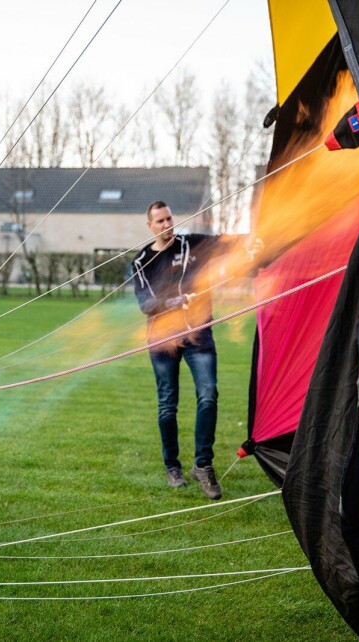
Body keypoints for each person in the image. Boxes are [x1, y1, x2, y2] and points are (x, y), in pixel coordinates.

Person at [131, 201, 253, 500]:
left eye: (169, 218)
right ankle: (172, 467)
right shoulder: (141, 261)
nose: (166, 225)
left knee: (208, 395)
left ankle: (203, 465)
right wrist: (173, 301)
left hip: (198, 337)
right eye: (159, 221)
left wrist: (251, 239)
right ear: (150, 226)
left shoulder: (191, 245)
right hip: (162, 341)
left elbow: (223, 242)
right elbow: (146, 304)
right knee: (167, 405)